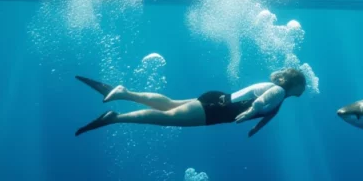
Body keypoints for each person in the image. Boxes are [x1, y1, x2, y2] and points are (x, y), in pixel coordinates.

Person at [74, 67, 307, 137]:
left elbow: (269, 114)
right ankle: (117, 117)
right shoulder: (277, 91)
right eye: (302, 86)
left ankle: (125, 93)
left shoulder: (280, 98)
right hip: (218, 110)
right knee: (169, 117)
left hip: (217, 101)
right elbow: (262, 103)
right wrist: (249, 114)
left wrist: (256, 127)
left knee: (170, 105)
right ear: (294, 84)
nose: (304, 90)